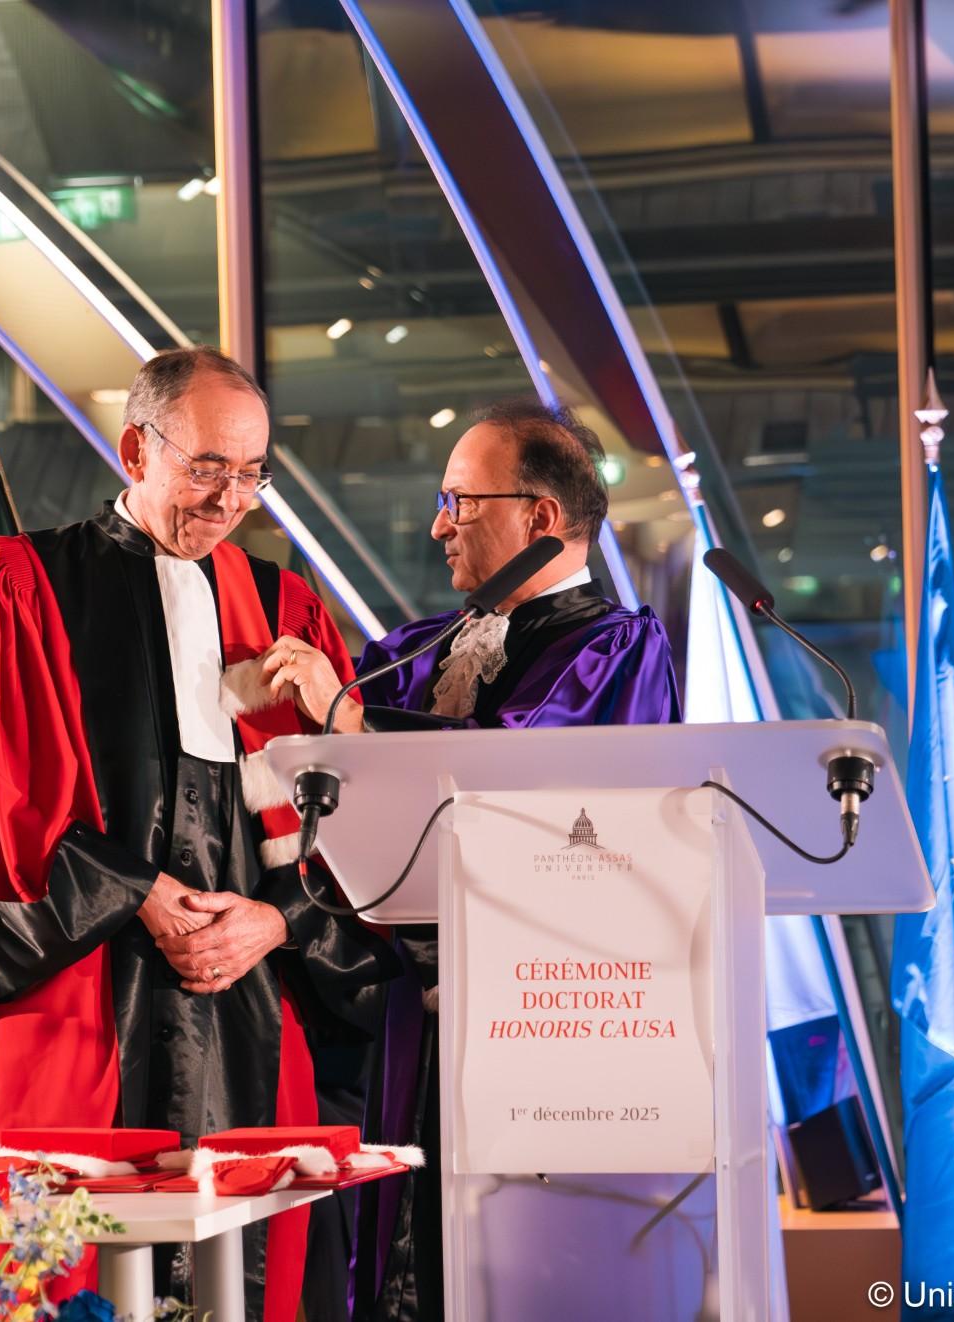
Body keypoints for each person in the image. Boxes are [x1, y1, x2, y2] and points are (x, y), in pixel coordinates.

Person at [0, 345, 396, 1322]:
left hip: (247, 999)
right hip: (80, 986)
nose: (231, 498)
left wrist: (275, 921)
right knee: (69, 1261)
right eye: (208, 467)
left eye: (252, 474)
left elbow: (355, 822)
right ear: (135, 449)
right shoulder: (22, 581)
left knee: (248, 1262)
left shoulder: (283, 608)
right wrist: (138, 891)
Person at [258, 398, 682, 1321]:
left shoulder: (615, 650)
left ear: (541, 517)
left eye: (460, 501)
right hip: (405, 1022)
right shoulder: (415, 653)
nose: (438, 525)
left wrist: (349, 721)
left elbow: (514, 777)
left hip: (547, 1028)